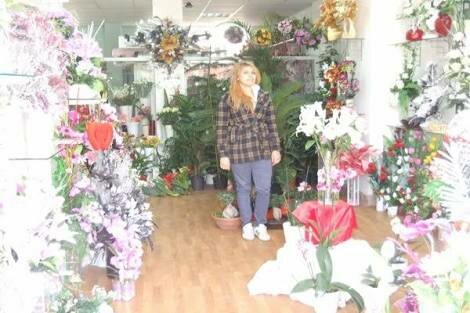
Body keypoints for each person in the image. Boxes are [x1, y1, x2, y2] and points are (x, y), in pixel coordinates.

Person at [216, 61, 281, 241]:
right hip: (239, 148)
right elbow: (221, 129)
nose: (250, 76)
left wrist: (275, 148)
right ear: (238, 76)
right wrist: (224, 154)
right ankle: (246, 225)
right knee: (243, 188)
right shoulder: (228, 98)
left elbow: (271, 124)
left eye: (253, 73)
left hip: (262, 147)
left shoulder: (264, 96)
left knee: (264, 188)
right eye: (246, 73)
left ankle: (260, 224)